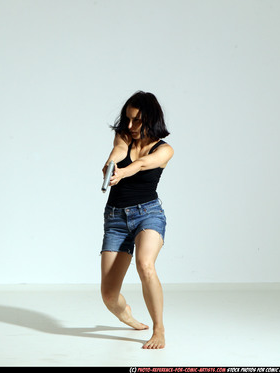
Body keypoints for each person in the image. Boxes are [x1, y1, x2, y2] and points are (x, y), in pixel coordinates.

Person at [100, 91, 174, 349]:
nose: (130, 127)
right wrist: (111, 164)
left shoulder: (164, 150)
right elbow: (119, 151)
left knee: (145, 265)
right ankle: (128, 316)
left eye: (137, 121)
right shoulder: (123, 136)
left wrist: (122, 174)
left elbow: (143, 164)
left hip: (148, 214)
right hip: (116, 218)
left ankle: (159, 330)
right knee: (109, 296)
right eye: (127, 120)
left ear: (151, 119)